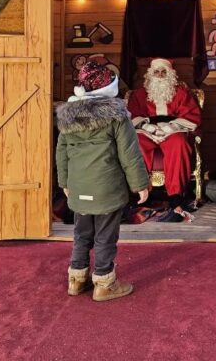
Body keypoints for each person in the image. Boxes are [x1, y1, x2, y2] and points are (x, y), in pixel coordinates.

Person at [56, 60, 149, 302]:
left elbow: (62, 152)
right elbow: (129, 153)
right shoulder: (117, 116)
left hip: (78, 187)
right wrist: (139, 184)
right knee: (105, 235)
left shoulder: (68, 117)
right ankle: (104, 282)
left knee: (81, 233)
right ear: (109, 88)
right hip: (107, 188)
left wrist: (65, 182)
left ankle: (76, 280)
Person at [126, 58, 202, 217]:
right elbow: (131, 116)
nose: (160, 75)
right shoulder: (139, 94)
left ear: (171, 74)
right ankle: (140, 192)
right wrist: (147, 128)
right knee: (137, 143)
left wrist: (170, 127)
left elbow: (192, 116)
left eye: (163, 72)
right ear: (150, 75)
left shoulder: (181, 93)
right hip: (147, 130)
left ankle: (175, 196)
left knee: (179, 143)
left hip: (173, 130)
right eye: (156, 72)